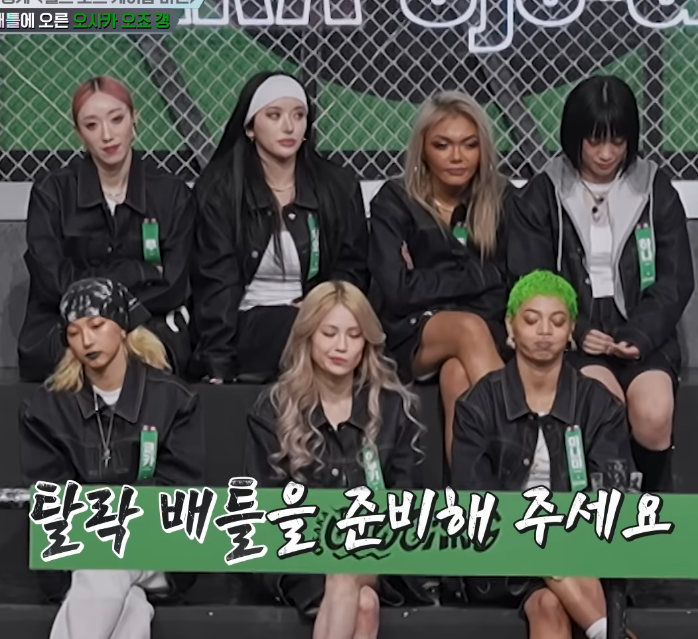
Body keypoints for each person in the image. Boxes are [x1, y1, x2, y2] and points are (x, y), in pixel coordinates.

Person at [508, 75, 694, 492]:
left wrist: (641, 335)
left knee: (654, 415)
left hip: (644, 332)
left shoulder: (655, 188)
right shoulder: (543, 192)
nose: (607, 153)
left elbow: (676, 279)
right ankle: (603, 513)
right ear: (574, 136)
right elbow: (531, 278)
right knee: (603, 407)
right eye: (595, 141)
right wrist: (575, 329)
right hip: (575, 335)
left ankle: (652, 506)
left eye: (618, 141)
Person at [452, 270, 637, 639]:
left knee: (549, 606)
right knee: (552, 556)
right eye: (531, 319)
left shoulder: (600, 404)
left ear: (571, 331)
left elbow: (612, 496)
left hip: (580, 548)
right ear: (510, 326)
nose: (544, 331)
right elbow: (476, 501)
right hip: (500, 557)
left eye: (557, 321)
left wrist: (561, 533)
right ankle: (609, 631)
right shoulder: (477, 405)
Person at [19, 277, 205, 639]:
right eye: (74, 332)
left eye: (96, 326)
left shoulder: (173, 399)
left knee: (105, 563)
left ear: (122, 327)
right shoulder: (45, 408)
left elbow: (180, 491)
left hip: (159, 545)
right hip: (75, 550)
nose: (87, 341)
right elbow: (51, 499)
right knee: (129, 607)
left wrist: (114, 521)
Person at [244, 280, 424, 639]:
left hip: (376, 548)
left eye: (354, 335)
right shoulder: (273, 409)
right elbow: (264, 505)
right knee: (364, 605)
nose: (341, 346)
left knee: (344, 573)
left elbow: (404, 499)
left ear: (366, 342)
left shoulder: (392, 407)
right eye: (329, 333)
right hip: (298, 550)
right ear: (308, 335)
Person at [190, 72, 369, 385]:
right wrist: (218, 363)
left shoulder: (337, 186)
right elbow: (216, 285)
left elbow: (352, 267)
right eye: (274, 116)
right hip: (246, 324)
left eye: (298, 115)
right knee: (308, 328)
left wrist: (321, 303)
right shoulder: (220, 190)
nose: (289, 127)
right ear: (250, 127)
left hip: (322, 315)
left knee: (338, 329)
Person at [18, 75, 195, 382]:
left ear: (134, 119)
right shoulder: (52, 192)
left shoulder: (172, 193)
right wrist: (136, 272)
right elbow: (52, 283)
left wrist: (117, 314)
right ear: (79, 133)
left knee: (145, 353)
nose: (107, 135)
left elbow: (174, 285)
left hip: (147, 321)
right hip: (66, 324)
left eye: (117, 119)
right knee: (84, 351)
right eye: (92, 125)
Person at [368, 91, 512, 462]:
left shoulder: (503, 199)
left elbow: (510, 283)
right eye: (442, 145)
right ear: (423, 148)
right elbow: (397, 290)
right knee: (467, 328)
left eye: (469, 145)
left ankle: (469, 491)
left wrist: (431, 281)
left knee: (456, 376)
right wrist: (479, 277)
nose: (457, 156)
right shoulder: (394, 200)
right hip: (412, 332)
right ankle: (519, 451)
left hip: (487, 329)